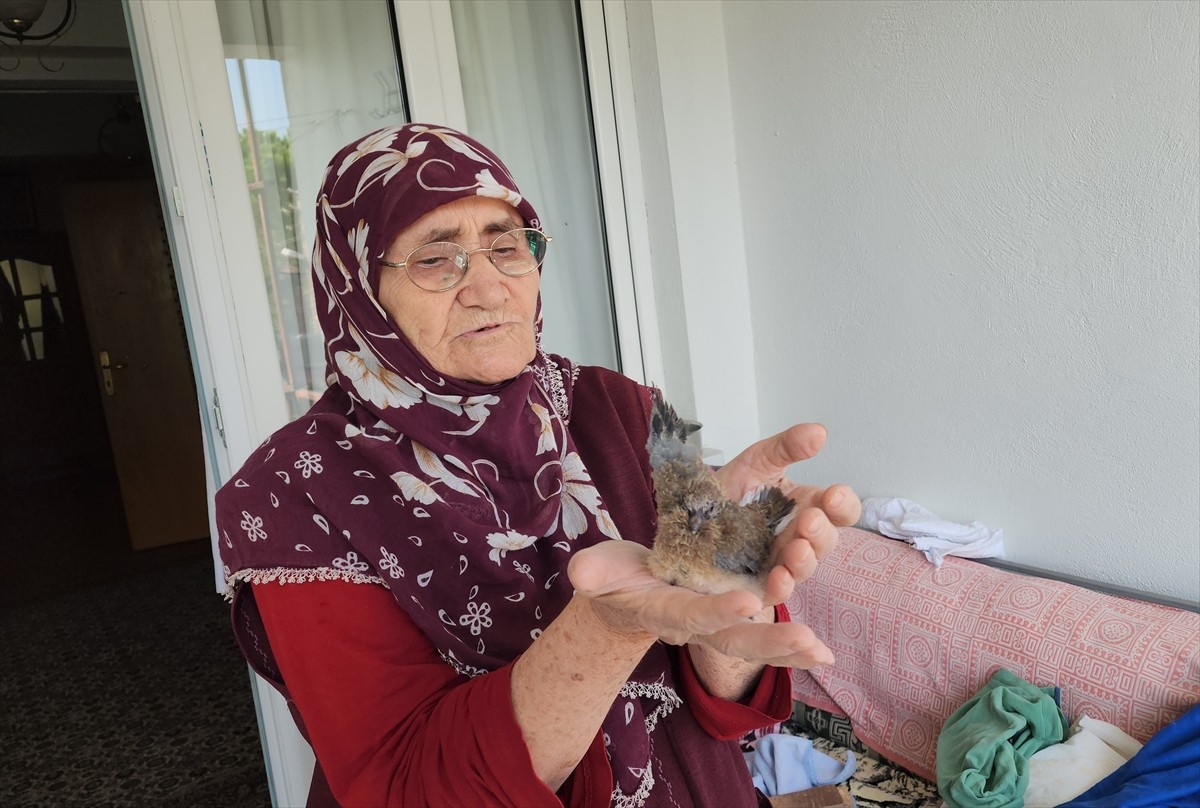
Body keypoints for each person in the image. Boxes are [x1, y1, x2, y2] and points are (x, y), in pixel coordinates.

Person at [216, 123, 861, 808]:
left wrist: (728, 581)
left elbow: (724, 708)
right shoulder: (295, 492)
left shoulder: (619, 406)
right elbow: (405, 788)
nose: (490, 289)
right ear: (359, 288)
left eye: (506, 247)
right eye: (436, 259)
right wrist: (606, 629)